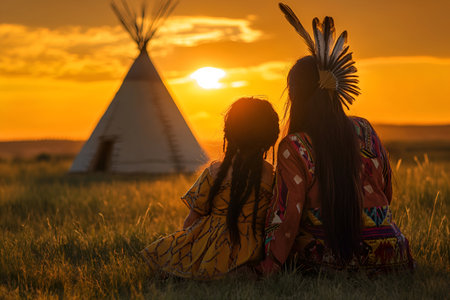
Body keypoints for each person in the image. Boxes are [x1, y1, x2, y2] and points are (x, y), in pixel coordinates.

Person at [257, 4, 415, 275]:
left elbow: (288, 217)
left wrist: (270, 264)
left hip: (327, 259)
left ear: (296, 97)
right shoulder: (365, 129)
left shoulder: (294, 147)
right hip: (392, 254)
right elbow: (385, 193)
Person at [141, 97, 279, 279]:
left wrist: (186, 245)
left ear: (230, 134)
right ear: (269, 137)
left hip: (210, 248)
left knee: (170, 258)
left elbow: (192, 218)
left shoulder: (215, 172)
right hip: (251, 249)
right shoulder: (272, 175)